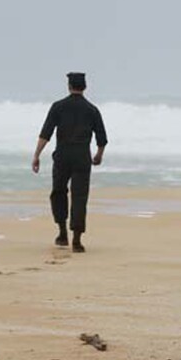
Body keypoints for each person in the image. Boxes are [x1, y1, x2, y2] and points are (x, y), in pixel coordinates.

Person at [32, 73, 108, 253]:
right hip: (82, 156)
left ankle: (62, 233)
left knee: (58, 192)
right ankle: (77, 240)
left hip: (63, 155)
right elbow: (102, 138)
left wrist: (36, 155)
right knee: (80, 197)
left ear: (69, 86)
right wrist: (98, 155)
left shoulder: (58, 107)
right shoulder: (92, 110)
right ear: (85, 87)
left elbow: (46, 134)